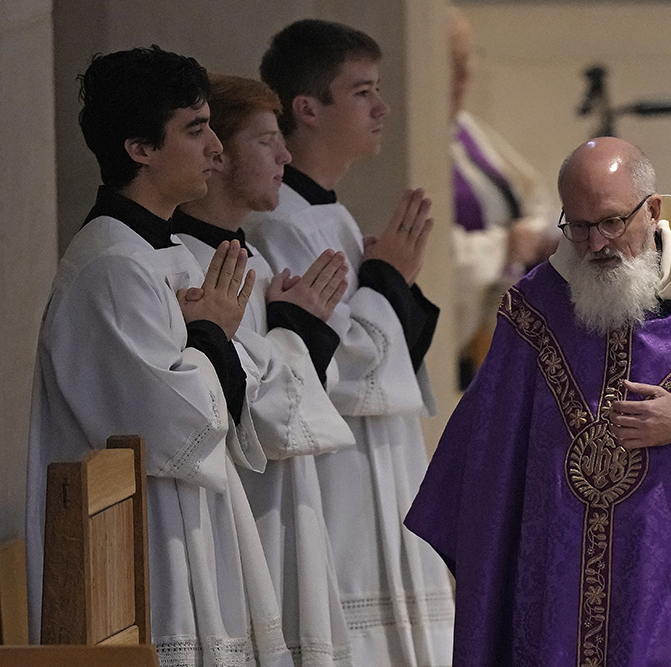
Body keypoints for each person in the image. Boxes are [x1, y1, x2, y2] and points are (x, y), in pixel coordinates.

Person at [406, 137, 671, 666]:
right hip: (559, 601)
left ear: (653, 209)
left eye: (613, 222)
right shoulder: (534, 311)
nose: (597, 243)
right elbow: (483, 459)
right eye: (580, 225)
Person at [26, 46, 294, 666]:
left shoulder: (159, 251)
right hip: (143, 553)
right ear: (139, 148)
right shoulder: (113, 267)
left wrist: (216, 338)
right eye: (195, 131)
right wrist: (212, 338)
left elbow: (238, 392)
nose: (216, 152)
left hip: (187, 525)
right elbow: (174, 426)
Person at [247, 19, 455, 666]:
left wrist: (392, 278)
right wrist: (388, 276)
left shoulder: (328, 214)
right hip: (335, 479)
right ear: (306, 109)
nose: (382, 108)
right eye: (362, 91)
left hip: (377, 464)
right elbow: (340, 367)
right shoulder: (275, 223)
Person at [174, 73, 356, 666]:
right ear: (218, 154)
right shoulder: (187, 266)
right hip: (240, 512)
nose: (285, 155)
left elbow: (289, 395)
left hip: (279, 503)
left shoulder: (243, 255)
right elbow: (242, 407)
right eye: (266, 140)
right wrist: (297, 331)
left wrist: (291, 326)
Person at [448, 7, 558, 387]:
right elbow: (432, 256)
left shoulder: (463, 128)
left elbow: (532, 194)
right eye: (453, 64)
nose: (466, 77)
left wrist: (530, 234)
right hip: (461, 352)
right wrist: (504, 247)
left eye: (467, 62)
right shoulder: (411, 141)